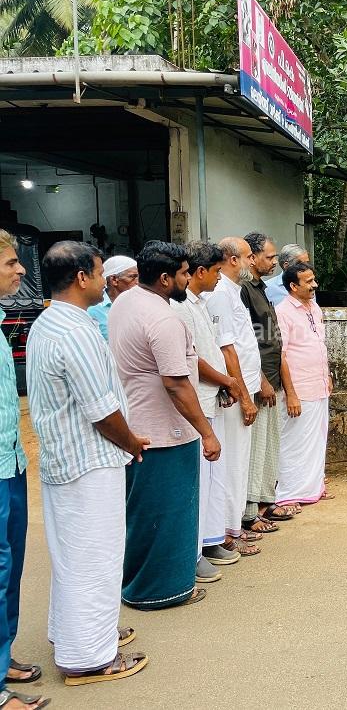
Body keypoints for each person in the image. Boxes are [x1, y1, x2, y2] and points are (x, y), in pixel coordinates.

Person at [27, 242, 149, 687]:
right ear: (82, 278)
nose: (104, 281)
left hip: (67, 460)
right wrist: (132, 441)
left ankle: (78, 635)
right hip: (88, 462)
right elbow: (100, 409)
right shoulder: (75, 332)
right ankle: (90, 657)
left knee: (73, 554)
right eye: (99, 273)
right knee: (95, 557)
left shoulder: (49, 323)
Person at [108, 240, 221, 609]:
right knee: (169, 514)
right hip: (165, 434)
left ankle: (139, 584)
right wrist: (207, 432)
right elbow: (176, 382)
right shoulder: (164, 319)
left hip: (136, 426)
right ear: (163, 278)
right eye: (185, 273)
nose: (189, 279)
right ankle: (162, 591)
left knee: (143, 514)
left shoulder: (126, 301)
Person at [172, 241, 243, 575]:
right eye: (215, 271)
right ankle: (194, 550)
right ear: (201, 272)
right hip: (195, 404)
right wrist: (227, 381)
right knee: (200, 480)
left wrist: (224, 384)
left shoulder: (199, 303)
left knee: (214, 477)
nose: (219, 278)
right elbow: (192, 359)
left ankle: (211, 537)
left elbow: (211, 349)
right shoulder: (181, 307)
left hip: (210, 398)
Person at [0, 230, 48, 710]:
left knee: (9, 563)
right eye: (12, 263)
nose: (20, 271)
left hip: (10, 461)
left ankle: (4, 655)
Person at [205, 238, 270, 554]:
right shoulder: (219, 295)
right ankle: (226, 533)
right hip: (234, 393)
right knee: (229, 463)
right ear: (232, 259)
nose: (252, 262)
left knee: (239, 461)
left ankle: (232, 527)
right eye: (247, 257)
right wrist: (243, 396)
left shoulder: (233, 292)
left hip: (245, 387)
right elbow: (226, 350)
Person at [240, 233, 297, 522]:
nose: (274, 262)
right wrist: (261, 380)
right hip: (259, 381)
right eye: (270, 257)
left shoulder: (261, 289)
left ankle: (265, 500)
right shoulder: (243, 291)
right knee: (256, 447)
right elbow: (246, 342)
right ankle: (250, 511)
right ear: (252, 258)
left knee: (270, 445)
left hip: (272, 380)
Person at [274, 262, 332, 506]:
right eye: (308, 282)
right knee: (295, 442)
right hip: (299, 388)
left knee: (317, 440)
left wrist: (327, 374)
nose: (314, 285)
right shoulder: (282, 312)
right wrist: (292, 394)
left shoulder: (315, 308)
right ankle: (288, 494)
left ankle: (312, 488)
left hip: (319, 386)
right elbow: (281, 355)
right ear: (292, 286)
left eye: (313, 279)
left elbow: (320, 346)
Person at [87, 255, 139, 340]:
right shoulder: (94, 309)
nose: (138, 282)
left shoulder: (137, 304)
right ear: (114, 279)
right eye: (133, 277)